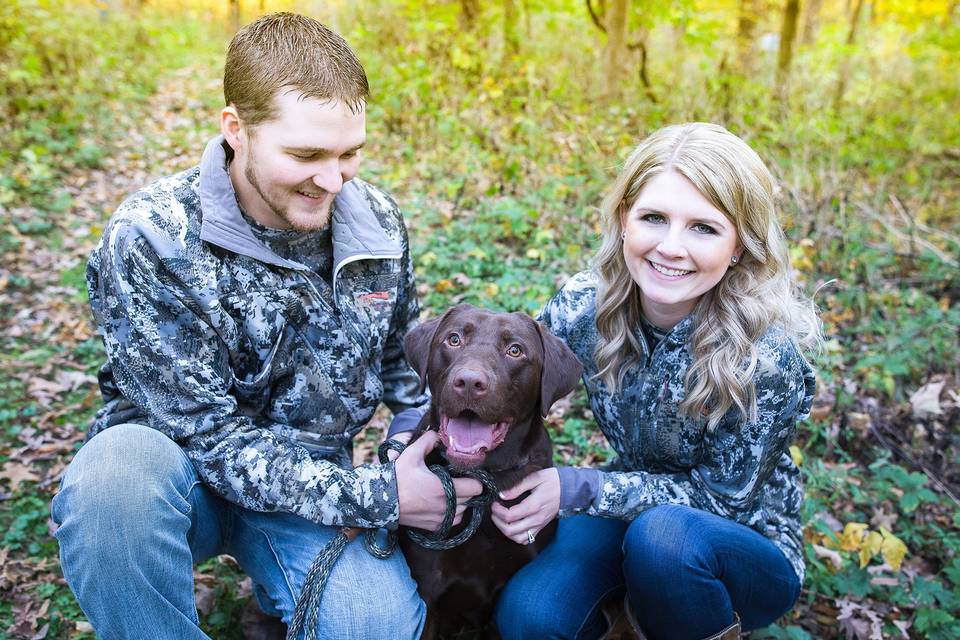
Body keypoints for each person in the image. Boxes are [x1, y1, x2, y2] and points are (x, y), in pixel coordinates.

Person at [51, 12, 481, 640]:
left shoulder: (377, 222)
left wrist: (406, 454)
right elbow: (208, 438)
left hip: (313, 485)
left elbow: (403, 369)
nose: (333, 181)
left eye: (350, 153)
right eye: (306, 155)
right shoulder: (151, 238)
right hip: (179, 478)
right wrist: (380, 496)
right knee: (111, 490)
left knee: (376, 626)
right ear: (236, 130)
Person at [492, 122, 821, 640]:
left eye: (704, 228)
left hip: (742, 548)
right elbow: (506, 383)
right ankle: (632, 611)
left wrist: (578, 487)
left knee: (663, 538)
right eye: (653, 218)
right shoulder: (586, 304)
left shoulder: (764, 355)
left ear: (739, 245)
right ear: (624, 220)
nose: (671, 247)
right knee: (531, 614)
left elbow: (724, 502)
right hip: (626, 511)